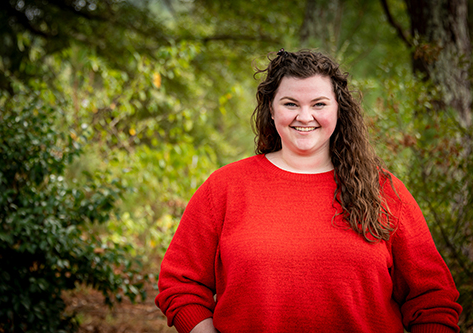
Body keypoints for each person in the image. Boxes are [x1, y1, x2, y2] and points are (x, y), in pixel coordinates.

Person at [154, 49, 462, 333]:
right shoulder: (226, 187)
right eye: (290, 104)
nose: (304, 116)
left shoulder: (384, 191)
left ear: (338, 110)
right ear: (271, 111)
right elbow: (180, 283)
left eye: (319, 104)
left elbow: (432, 299)